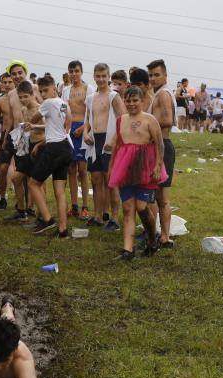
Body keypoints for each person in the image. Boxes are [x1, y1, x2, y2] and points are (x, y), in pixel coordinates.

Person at [107, 85, 166, 261]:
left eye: (135, 100)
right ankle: (128, 250)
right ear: (124, 101)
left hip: (145, 166)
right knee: (127, 208)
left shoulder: (150, 120)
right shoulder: (121, 120)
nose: (131, 104)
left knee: (141, 207)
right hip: (125, 167)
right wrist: (111, 167)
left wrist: (157, 165)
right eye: (128, 100)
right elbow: (118, 146)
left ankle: (151, 237)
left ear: (142, 101)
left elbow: (159, 144)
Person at [24, 75, 72, 239]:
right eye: (41, 91)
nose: (43, 94)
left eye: (45, 90)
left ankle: (47, 219)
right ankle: (63, 230)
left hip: (55, 149)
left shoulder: (47, 103)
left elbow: (34, 118)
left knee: (33, 183)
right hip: (66, 147)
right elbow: (65, 125)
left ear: (54, 88)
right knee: (60, 191)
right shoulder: (64, 104)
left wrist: (31, 121)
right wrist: (41, 143)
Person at [82, 63, 124, 229]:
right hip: (94, 141)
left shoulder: (113, 96)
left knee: (111, 181)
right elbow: (87, 120)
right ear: (94, 76)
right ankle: (98, 215)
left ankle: (114, 218)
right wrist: (85, 133)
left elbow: (122, 119)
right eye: (97, 76)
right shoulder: (91, 98)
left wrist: (113, 141)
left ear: (108, 77)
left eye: (103, 76)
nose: (100, 79)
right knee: (96, 180)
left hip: (109, 141)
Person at [0, 60, 35, 209]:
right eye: (14, 74)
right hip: (15, 135)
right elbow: (9, 118)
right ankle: (8, 200)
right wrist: (5, 137)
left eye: (19, 73)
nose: (17, 76)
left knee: (28, 173)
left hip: (32, 136)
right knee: (6, 169)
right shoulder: (10, 94)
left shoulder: (34, 89)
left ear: (25, 73)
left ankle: (29, 206)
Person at [5, 80, 44, 223]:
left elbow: (49, 127)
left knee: (38, 182)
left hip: (40, 146)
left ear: (32, 94)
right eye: (20, 97)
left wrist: (34, 126)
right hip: (27, 147)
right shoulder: (23, 110)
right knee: (16, 178)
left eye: (25, 96)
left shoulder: (41, 109)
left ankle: (42, 215)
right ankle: (21, 211)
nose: (23, 100)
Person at [61, 60, 95, 220]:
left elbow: (91, 112)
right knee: (71, 169)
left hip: (83, 128)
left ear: (81, 72)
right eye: (71, 71)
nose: (73, 74)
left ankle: (85, 206)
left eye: (76, 71)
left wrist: (84, 129)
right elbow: (63, 111)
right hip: (69, 129)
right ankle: (74, 205)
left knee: (83, 170)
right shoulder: (66, 90)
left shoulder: (89, 89)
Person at [148, 59, 175, 249]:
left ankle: (165, 236)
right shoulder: (156, 94)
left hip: (163, 146)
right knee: (154, 194)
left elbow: (168, 119)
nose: (153, 78)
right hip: (157, 146)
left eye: (157, 74)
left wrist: (148, 124)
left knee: (162, 197)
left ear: (165, 76)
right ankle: (158, 234)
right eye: (150, 75)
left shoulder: (164, 94)